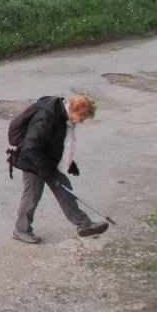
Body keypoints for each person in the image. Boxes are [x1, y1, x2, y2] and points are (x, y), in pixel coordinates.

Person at [13, 94, 106, 243]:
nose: (81, 121)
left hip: (46, 160)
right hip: (32, 162)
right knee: (32, 195)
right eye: (82, 118)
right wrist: (43, 169)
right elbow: (30, 147)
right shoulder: (48, 118)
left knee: (64, 189)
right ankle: (21, 230)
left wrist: (70, 162)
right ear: (75, 110)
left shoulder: (62, 115)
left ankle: (84, 225)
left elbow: (56, 142)